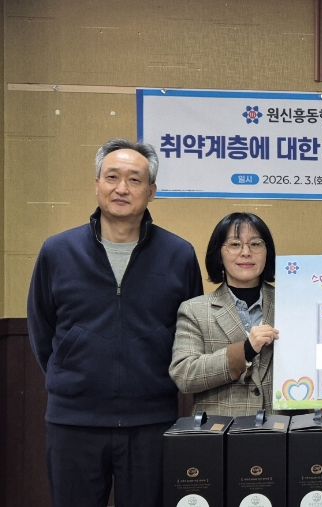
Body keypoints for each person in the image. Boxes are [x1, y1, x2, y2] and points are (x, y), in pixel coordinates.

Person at [27, 139, 203, 507]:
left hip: (152, 421)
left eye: (135, 180)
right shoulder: (58, 251)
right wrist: (72, 374)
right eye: (112, 177)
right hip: (73, 422)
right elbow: (42, 330)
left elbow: (189, 334)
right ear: (97, 184)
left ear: (151, 191)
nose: (122, 188)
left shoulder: (178, 254)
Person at [170, 212, 279, 416]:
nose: (246, 252)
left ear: (267, 252)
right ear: (219, 254)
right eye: (235, 244)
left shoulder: (291, 304)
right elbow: (184, 375)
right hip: (220, 430)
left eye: (255, 244)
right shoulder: (194, 310)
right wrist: (245, 350)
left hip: (283, 428)